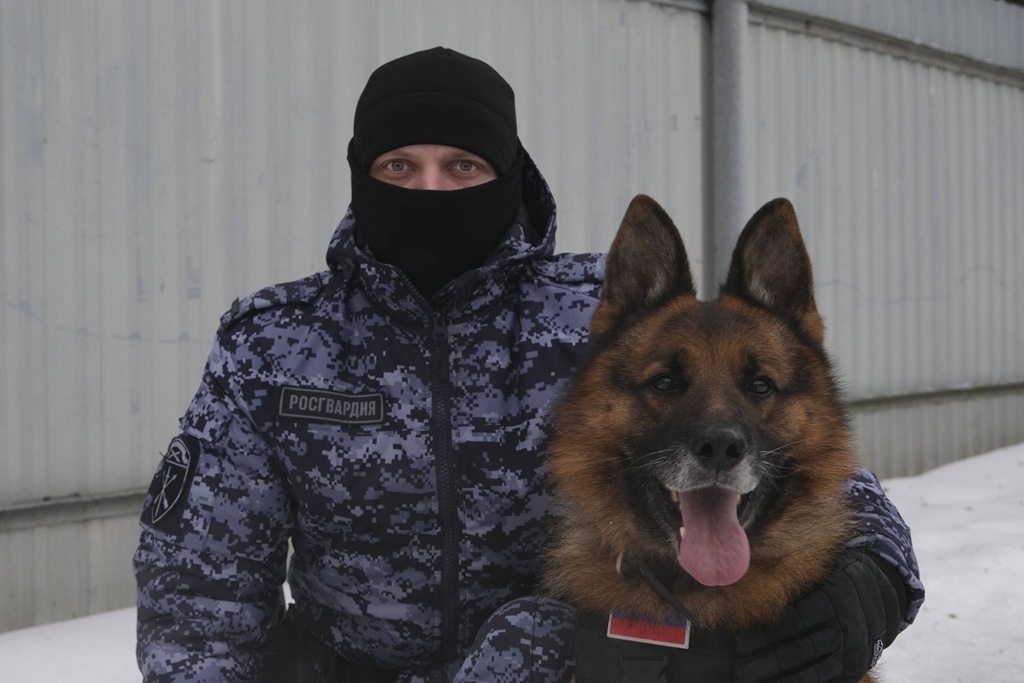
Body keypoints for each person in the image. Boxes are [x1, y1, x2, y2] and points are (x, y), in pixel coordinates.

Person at [134, 46, 924, 683]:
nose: (430, 187)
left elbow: (817, 471)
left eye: (463, 165)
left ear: (508, 176)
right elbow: (198, 586)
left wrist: (873, 583)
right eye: (399, 166)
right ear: (361, 175)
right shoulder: (272, 341)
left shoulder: (610, 317)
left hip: (559, 662)